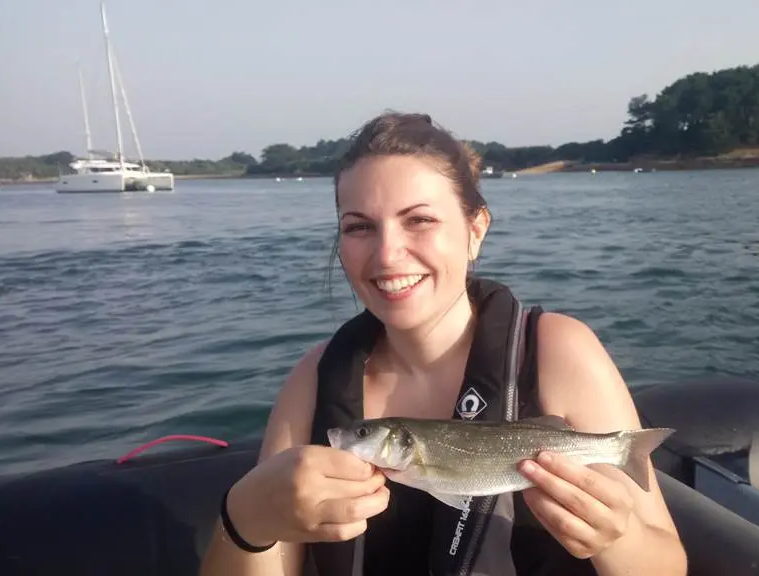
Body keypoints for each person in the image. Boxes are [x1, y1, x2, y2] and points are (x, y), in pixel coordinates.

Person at [198, 112, 687, 576]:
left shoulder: (559, 351)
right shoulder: (313, 381)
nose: (387, 255)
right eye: (359, 226)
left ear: (476, 230)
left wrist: (616, 538)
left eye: (420, 220)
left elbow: (668, 564)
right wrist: (245, 520)